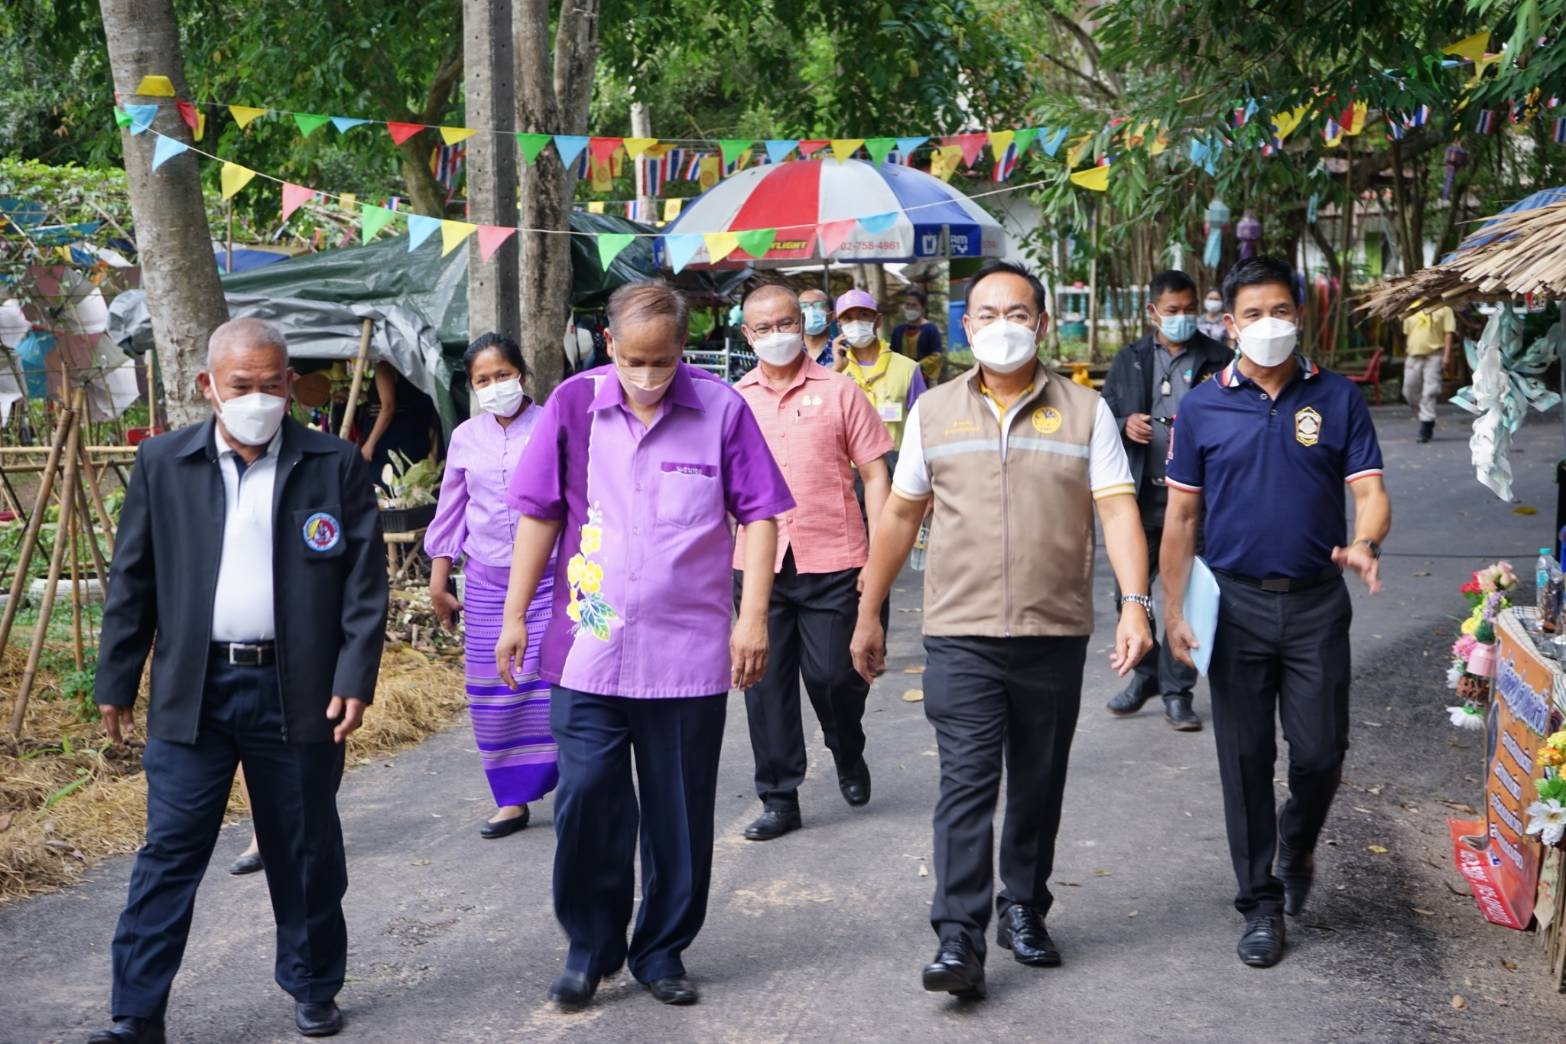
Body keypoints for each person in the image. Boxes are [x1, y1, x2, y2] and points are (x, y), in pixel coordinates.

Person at [850, 261, 1155, 1002]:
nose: (1001, 327)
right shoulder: (935, 413)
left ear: (1042, 324)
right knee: (966, 782)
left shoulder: (1086, 412)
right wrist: (869, 605)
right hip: (961, 631)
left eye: (1017, 313)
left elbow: (1117, 509)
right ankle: (958, 935)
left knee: (1038, 781)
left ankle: (1024, 905)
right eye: (985, 314)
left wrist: (1137, 602)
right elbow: (899, 514)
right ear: (965, 326)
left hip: (1054, 630)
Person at [494, 281, 793, 1012]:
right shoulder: (572, 405)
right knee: (587, 798)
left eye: (663, 362)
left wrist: (752, 618)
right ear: (608, 345)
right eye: (634, 360)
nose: (649, 377)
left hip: (688, 656)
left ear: (683, 351)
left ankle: (661, 949)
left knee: (679, 814)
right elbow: (538, 514)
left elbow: (759, 517)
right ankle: (589, 949)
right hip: (589, 651)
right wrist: (514, 615)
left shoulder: (722, 408)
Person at [90, 317, 387, 1044]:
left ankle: (314, 985)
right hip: (195, 690)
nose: (257, 399)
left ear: (291, 384)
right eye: (240, 386)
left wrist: (355, 676)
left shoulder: (332, 464)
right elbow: (134, 578)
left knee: (305, 843)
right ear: (208, 388)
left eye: (270, 385)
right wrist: (117, 678)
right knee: (170, 847)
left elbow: (362, 586)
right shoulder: (164, 463)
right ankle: (136, 1011)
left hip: (301, 688)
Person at [1159, 256, 1391, 969]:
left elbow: (1371, 492)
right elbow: (1180, 517)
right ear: (1228, 325)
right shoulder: (1202, 405)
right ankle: (1260, 903)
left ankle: (1297, 842)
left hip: (1318, 604)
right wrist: (1172, 609)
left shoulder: (1340, 398)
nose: (1268, 326)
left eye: (1281, 311)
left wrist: (1363, 540)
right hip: (1234, 606)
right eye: (1253, 314)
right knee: (1245, 758)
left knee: (1320, 754)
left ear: (1302, 316)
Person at [732, 285, 894, 842]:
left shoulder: (841, 390)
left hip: (835, 558)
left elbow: (874, 473)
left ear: (802, 324)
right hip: (758, 568)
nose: (776, 336)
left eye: (785, 324)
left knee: (835, 678)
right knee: (765, 685)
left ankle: (848, 748)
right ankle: (780, 797)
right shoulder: (734, 401)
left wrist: (878, 555)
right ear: (747, 336)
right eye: (764, 328)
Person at [425, 333, 558, 839]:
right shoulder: (464, 437)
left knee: (551, 686)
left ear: (521, 373)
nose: (495, 385)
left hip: (550, 582)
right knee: (494, 690)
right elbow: (451, 512)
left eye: (503, 375)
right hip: (484, 584)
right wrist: (440, 581)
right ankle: (512, 798)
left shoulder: (553, 425)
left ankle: (573, 783)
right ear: (472, 386)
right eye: (484, 379)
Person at [1100, 270, 1231, 731]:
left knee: (1187, 595)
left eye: (1188, 309)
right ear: (1153, 312)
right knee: (1131, 595)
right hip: (1139, 499)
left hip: (1195, 503)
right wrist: (1124, 422)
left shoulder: (1219, 359)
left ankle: (1178, 691)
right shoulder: (1130, 358)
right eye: (1172, 311)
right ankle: (1146, 674)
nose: (1182, 318)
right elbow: (1104, 413)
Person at [832, 288, 927, 453]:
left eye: (863, 315)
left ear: (878, 320)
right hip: (850, 466)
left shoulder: (908, 368)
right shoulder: (834, 372)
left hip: (896, 463)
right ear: (840, 326)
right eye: (848, 318)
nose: (856, 323)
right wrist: (835, 372)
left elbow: (924, 422)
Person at [1401, 303, 1456, 443]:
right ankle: (1424, 415)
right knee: (1408, 390)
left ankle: (1426, 424)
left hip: (1434, 355)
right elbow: (1407, 334)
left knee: (1429, 392)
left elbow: (1448, 333)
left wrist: (1446, 356)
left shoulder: (1444, 308)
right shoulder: (1411, 309)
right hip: (1413, 355)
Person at [890, 286, 945, 385]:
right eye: (907, 305)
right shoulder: (898, 330)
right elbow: (892, 353)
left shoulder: (930, 329)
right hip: (901, 379)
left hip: (924, 380)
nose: (910, 308)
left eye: (914, 305)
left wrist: (916, 366)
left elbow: (937, 356)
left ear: (922, 307)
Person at [801, 287, 835, 367]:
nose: (810, 310)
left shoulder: (844, 351)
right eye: (803, 306)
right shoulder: (791, 353)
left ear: (832, 315)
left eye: (819, 305)